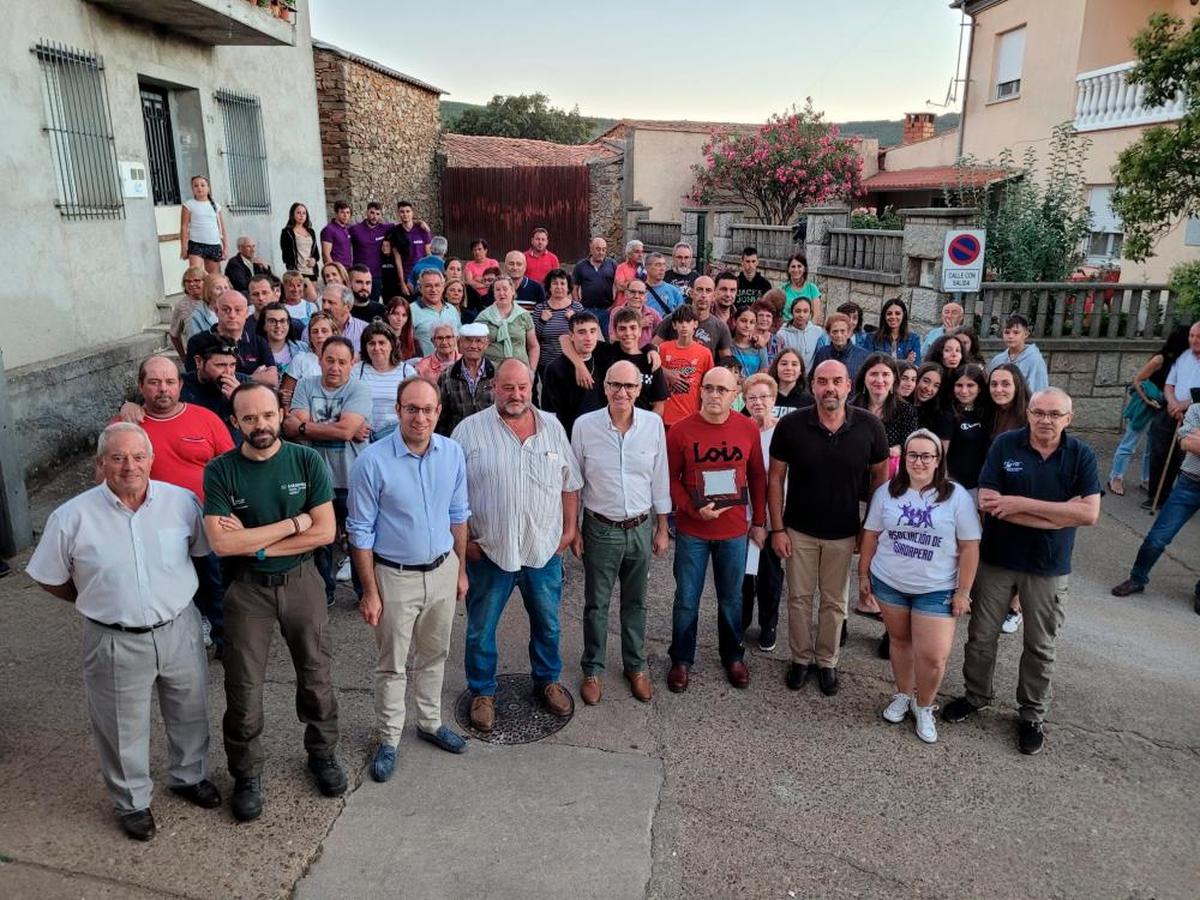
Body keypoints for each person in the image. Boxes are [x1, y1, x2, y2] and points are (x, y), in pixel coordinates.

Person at [27, 423, 218, 841]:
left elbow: (199, 552)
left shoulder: (182, 503)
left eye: (137, 456)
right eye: (117, 458)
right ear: (100, 465)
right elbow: (48, 576)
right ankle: (132, 801)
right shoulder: (72, 516)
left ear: (151, 460)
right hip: (113, 637)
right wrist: (95, 599)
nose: (129, 466)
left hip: (179, 628)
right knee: (119, 726)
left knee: (190, 710)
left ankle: (189, 777)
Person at [203, 383, 345, 819]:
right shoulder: (221, 470)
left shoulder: (306, 459)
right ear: (236, 422)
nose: (259, 425)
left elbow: (324, 532)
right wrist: (292, 524)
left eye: (266, 415)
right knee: (243, 688)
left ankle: (321, 754)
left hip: (302, 581)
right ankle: (246, 774)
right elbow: (223, 545)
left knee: (316, 676)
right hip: (246, 590)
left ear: (280, 413)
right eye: (248, 418)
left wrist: (256, 543)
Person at [941, 388, 1100, 755]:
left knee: (1040, 646)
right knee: (981, 636)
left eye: (1054, 414)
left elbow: (1089, 514)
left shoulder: (1081, 456)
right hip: (997, 560)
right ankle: (976, 695)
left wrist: (1018, 505)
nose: (1046, 420)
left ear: (1068, 418)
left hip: (1048, 567)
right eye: (1039, 412)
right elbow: (988, 503)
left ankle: (1031, 714)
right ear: (1028, 413)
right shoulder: (1005, 446)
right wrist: (1059, 514)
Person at [348, 376, 471, 782]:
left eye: (428, 410)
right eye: (412, 409)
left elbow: (458, 515)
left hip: (442, 570)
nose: (420, 417)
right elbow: (360, 531)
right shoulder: (372, 461)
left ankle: (431, 723)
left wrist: (460, 570)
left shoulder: (452, 453)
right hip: (394, 578)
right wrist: (369, 591)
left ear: (439, 412)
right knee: (392, 664)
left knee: (435, 655)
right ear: (398, 411)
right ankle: (388, 738)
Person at [453, 359, 583, 732]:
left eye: (522, 387)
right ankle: (481, 691)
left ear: (531, 387)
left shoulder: (552, 427)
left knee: (549, 624)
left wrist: (569, 531)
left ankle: (547, 680)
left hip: (542, 550)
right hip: (491, 551)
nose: (516, 395)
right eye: (508, 387)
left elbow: (569, 483)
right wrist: (465, 548)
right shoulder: (469, 431)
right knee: (481, 629)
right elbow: (452, 495)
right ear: (495, 386)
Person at [769, 360, 889, 696]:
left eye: (837, 381)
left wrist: (869, 530)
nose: (829, 388)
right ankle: (800, 659)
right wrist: (777, 529)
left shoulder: (869, 426)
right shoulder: (791, 425)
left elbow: (881, 479)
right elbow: (775, 478)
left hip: (845, 533)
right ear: (813, 385)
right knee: (798, 600)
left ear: (850, 385)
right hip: (798, 531)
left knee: (835, 603)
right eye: (822, 381)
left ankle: (827, 662)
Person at [858, 429, 980, 743]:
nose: (919, 461)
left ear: (939, 460)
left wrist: (963, 591)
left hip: (937, 588)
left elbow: (969, 546)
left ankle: (924, 705)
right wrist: (863, 576)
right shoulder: (887, 492)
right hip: (890, 582)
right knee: (900, 643)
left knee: (934, 656)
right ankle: (902, 693)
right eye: (913, 454)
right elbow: (870, 535)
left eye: (927, 456)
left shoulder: (956, 496)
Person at [570, 361, 671, 704]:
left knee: (636, 602)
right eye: (615, 385)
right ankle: (593, 669)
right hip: (600, 528)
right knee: (596, 604)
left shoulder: (653, 425)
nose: (622, 392)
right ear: (605, 387)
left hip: (640, 527)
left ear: (639, 389)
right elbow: (575, 481)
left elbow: (660, 476)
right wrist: (575, 529)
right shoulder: (584, 426)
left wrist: (662, 527)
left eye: (629, 386)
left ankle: (636, 665)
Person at [665, 366, 767, 692]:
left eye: (722, 390)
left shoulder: (747, 428)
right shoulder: (680, 431)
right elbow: (669, 479)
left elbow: (757, 478)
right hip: (692, 530)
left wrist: (760, 522)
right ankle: (681, 659)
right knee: (686, 598)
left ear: (735, 395)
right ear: (700, 391)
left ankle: (733, 656)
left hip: (734, 531)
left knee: (731, 599)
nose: (714, 395)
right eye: (708, 388)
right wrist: (692, 507)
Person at [284, 336, 372, 603]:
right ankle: (325, 593)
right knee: (320, 540)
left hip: (351, 477)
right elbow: (291, 428)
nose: (335, 367)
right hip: (316, 478)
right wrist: (338, 428)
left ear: (352, 364)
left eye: (342, 362)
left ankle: (364, 592)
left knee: (357, 537)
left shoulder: (359, 389)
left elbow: (344, 431)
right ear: (319, 360)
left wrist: (306, 427)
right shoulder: (306, 385)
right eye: (330, 360)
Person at [1111, 400, 1200, 612]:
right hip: (1190, 482)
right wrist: (1192, 441)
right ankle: (1137, 578)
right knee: (1157, 538)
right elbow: (1186, 443)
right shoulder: (1197, 409)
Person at [1108, 330, 1188, 496]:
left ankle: (1147, 479)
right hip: (1147, 406)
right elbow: (1137, 380)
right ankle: (1116, 477)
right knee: (1130, 442)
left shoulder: (1182, 362)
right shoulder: (1160, 359)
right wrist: (1146, 399)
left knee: (1154, 447)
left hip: (1162, 406)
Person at [740, 374, 786, 652]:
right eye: (751, 397)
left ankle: (768, 624)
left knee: (770, 576)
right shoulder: (739, 428)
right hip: (742, 515)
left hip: (774, 517)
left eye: (763, 397)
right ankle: (741, 622)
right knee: (743, 577)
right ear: (744, 401)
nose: (758, 402)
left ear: (774, 399)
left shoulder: (784, 431)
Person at [1146, 321, 1200, 511]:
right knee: (1159, 451)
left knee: (1183, 458)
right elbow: (1170, 384)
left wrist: (1184, 406)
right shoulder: (1183, 355)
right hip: (1171, 409)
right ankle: (1157, 496)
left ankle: (1181, 501)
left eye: (1198, 337)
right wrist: (1172, 403)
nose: (1194, 340)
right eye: (1192, 336)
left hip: (1195, 415)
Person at [184, 290, 278, 387]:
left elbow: (272, 379)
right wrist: (252, 378)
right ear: (216, 311)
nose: (232, 315)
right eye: (226, 310)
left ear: (247, 313)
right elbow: (194, 379)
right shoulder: (198, 342)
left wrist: (238, 382)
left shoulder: (259, 341)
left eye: (238, 310)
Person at [852, 353, 920, 477]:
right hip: (855, 473)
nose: (879, 380)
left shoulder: (906, 410)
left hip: (892, 476)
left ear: (894, 378)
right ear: (864, 377)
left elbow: (910, 444)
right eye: (873, 374)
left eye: (885, 374)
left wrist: (896, 450)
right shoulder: (850, 408)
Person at [354, 321, 419, 442]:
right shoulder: (357, 371)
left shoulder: (407, 372)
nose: (376, 348)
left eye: (382, 343)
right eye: (371, 343)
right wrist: (353, 427)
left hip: (395, 435)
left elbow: (415, 407)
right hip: (363, 436)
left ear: (392, 345)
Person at [542, 312, 604, 438]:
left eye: (593, 331)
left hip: (600, 433)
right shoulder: (555, 368)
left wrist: (651, 349)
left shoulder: (604, 357)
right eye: (582, 332)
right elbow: (550, 411)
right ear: (571, 335)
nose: (588, 337)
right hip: (569, 434)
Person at [938, 364, 993, 502]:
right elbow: (941, 454)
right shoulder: (948, 415)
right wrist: (944, 485)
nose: (964, 391)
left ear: (979, 388)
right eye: (959, 385)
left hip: (983, 485)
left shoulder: (989, 412)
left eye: (970, 385)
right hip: (956, 487)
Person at [658, 304, 714, 429]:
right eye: (680, 322)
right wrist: (666, 372)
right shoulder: (664, 348)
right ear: (674, 325)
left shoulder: (704, 353)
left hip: (692, 415)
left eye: (688, 321)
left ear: (695, 324)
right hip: (666, 416)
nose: (684, 326)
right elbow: (650, 368)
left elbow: (709, 384)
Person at [654, 275, 733, 362]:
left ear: (714, 296)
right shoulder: (673, 318)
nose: (703, 295)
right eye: (699, 289)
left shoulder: (720, 327)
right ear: (691, 293)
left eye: (708, 291)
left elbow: (727, 363)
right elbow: (652, 349)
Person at [436, 323, 495, 436]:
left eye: (478, 341)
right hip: (458, 438)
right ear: (460, 343)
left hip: (491, 437)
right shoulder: (447, 376)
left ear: (486, 344)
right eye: (468, 340)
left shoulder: (498, 373)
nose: (473, 346)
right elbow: (441, 418)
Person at [478, 276, 538, 368]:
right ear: (494, 293)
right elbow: (476, 347)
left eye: (505, 289)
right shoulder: (484, 317)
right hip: (490, 369)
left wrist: (532, 371)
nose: (502, 293)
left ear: (513, 291)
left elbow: (533, 346)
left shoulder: (524, 315)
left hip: (520, 369)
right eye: (497, 290)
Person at [282, 311, 337, 408]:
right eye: (315, 331)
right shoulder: (300, 360)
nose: (319, 335)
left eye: (324, 331)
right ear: (310, 337)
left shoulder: (342, 361)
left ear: (333, 334)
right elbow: (285, 398)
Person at [533, 268, 583, 376]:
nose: (559, 287)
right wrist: (542, 321)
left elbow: (583, 336)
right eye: (555, 283)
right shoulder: (540, 308)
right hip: (547, 363)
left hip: (571, 361)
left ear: (568, 287)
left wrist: (574, 320)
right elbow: (534, 337)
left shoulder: (577, 307)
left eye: (562, 283)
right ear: (549, 287)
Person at [988, 314, 1049, 393]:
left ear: (1026, 334)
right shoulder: (997, 360)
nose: (1010, 336)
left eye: (1016, 333)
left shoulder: (1035, 360)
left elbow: (1040, 390)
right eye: (1007, 332)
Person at [180, 175, 227, 274]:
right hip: (196, 244)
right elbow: (184, 227)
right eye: (195, 186)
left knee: (214, 277)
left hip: (213, 244)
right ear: (192, 189)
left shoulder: (215, 206)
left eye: (202, 185)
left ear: (208, 188)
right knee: (196, 274)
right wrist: (184, 247)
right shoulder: (188, 205)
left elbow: (222, 228)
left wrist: (225, 247)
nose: (199, 188)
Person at [385, 200, 432, 297]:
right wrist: (402, 283)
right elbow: (398, 259)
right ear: (398, 213)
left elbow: (429, 255)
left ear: (412, 213)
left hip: (422, 275)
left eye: (408, 211)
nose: (405, 214)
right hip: (407, 276)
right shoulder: (395, 232)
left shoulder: (423, 230)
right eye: (402, 212)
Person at [409, 269, 461, 356]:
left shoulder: (451, 309)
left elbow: (459, 340)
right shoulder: (411, 310)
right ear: (420, 288)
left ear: (443, 287)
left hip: (453, 366)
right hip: (425, 367)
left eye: (437, 285)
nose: (433, 290)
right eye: (428, 286)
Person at [573, 236, 617, 335]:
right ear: (591, 249)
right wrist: (579, 306)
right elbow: (574, 288)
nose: (601, 252)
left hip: (606, 310)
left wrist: (614, 305)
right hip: (587, 309)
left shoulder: (612, 264)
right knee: (587, 339)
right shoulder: (580, 266)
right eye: (598, 249)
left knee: (609, 340)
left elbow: (619, 286)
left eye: (603, 249)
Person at [774, 295, 828, 374]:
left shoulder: (818, 332)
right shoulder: (782, 333)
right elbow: (778, 358)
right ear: (792, 312)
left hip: (809, 378)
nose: (801, 315)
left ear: (810, 313)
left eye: (805, 311)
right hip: (790, 375)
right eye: (798, 311)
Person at [811, 312, 870, 383]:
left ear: (849, 333)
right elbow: (813, 379)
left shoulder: (863, 356)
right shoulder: (822, 353)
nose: (839, 335)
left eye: (842, 331)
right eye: (835, 331)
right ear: (829, 334)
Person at [348, 202, 390, 300]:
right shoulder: (355, 229)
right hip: (358, 275)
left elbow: (403, 224)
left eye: (378, 214)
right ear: (367, 212)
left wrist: (420, 223)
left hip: (376, 276)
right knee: (357, 303)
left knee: (373, 304)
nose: (374, 216)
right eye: (372, 213)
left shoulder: (385, 228)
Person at [257, 302, 307, 374]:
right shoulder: (254, 351)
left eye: (283, 321)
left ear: (289, 324)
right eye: (272, 321)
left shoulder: (303, 348)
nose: (278, 325)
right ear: (264, 325)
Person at [169, 267, 208, 356]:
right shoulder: (181, 306)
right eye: (188, 281)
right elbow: (174, 335)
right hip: (196, 354)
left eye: (196, 280)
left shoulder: (213, 300)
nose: (192, 284)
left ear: (205, 282)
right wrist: (183, 357)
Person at [315, 283, 366, 350]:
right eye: (323, 301)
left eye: (331, 302)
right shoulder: (312, 330)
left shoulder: (363, 330)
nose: (325, 306)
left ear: (347, 307)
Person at [613, 279, 662, 346]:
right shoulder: (616, 312)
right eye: (633, 292)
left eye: (641, 293)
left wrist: (650, 348)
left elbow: (663, 336)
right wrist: (639, 324)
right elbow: (613, 339)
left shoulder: (653, 314)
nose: (636, 296)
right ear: (626, 294)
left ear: (645, 296)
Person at [870, 298, 921, 363]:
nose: (893, 317)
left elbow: (916, 367)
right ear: (884, 316)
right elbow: (869, 365)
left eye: (897, 313)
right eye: (889, 313)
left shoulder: (914, 339)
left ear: (903, 315)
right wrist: (905, 362)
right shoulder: (872, 338)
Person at [280, 202, 320, 284]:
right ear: (292, 214)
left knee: (313, 296)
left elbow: (316, 253)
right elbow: (286, 255)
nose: (301, 215)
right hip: (298, 272)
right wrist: (292, 270)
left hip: (311, 271)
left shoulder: (311, 231)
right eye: (298, 213)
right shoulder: (287, 232)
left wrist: (314, 260)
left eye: (304, 213)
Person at [768, 348, 812, 417]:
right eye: (784, 364)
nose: (789, 368)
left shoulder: (809, 401)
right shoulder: (763, 397)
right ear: (776, 367)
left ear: (801, 371)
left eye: (794, 364)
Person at [782, 252, 822, 324]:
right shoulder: (782, 289)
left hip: (806, 329)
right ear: (788, 269)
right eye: (793, 266)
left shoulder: (812, 289)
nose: (796, 270)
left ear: (804, 269)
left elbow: (816, 316)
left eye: (799, 266)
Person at [642, 253, 685, 318]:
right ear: (647, 267)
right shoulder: (639, 291)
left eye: (664, 265)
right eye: (658, 265)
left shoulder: (674, 291)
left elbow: (682, 316)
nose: (662, 269)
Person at [730, 307, 768, 376]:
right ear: (734, 321)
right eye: (743, 321)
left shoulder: (760, 346)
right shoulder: (728, 345)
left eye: (752, 322)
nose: (747, 326)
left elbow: (764, 373)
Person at [735, 247, 773, 313]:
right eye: (747, 261)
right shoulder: (735, 282)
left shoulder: (765, 284)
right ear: (742, 262)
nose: (750, 265)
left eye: (753, 261)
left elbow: (768, 307)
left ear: (757, 262)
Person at [384, 296, 420, 362]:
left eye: (404, 315)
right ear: (387, 315)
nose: (400, 319)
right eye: (395, 314)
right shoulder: (379, 341)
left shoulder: (414, 343)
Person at [912, 362, 946, 430]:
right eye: (926, 381)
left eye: (936, 385)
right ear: (917, 379)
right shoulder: (899, 405)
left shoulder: (938, 414)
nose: (929, 389)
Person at [320, 200, 354, 268]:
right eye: (342, 212)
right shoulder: (328, 230)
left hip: (348, 268)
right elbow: (326, 254)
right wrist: (333, 270)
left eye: (348, 213)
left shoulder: (347, 229)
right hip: (337, 269)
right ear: (336, 213)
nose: (345, 215)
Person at [614, 239, 646, 307]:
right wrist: (639, 286)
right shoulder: (621, 267)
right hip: (623, 306)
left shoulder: (644, 269)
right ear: (629, 254)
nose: (640, 255)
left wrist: (628, 284)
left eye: (642, 252)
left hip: (640, 306)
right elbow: (620, 286)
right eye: (637, 252)